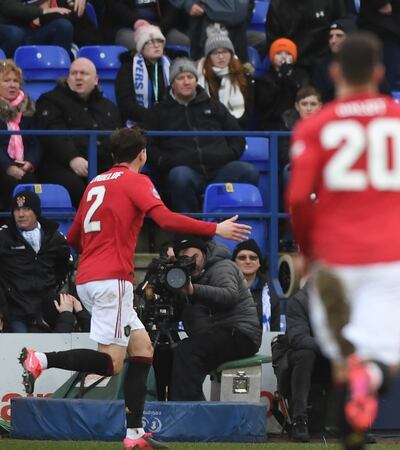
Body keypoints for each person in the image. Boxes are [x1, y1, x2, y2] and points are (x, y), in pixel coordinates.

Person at [18, 127, 250, 449]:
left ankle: (133, 434)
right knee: (112, 364)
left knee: (143, 350)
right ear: (143, 153)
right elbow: (166, 220)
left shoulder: (94, 184)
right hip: (112, 280)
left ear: (113, 154)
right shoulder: (137, 181)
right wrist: (215, 227)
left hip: (91, 276)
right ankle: (41, 359)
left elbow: (72, 238)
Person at [286, 32, 400, 449]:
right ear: (380, 72)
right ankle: (369, 386)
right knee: (381, 366)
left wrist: (307, 251)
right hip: (391, 258)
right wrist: (397, 207)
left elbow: (296, 199)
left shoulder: (317, 124)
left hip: (335, 260)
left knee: (345, 360)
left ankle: (354, 410)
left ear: (335, 71)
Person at [144, 58, 258, 213]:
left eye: (190, 77)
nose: (186, 82)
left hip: (220, 169)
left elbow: (237, 136)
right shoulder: (159, 112)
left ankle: (235, 226)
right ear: (172, 82)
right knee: (179, 176)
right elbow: (149, 145)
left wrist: (229, 154)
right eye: (180, 78)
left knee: (248, 171)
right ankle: (189, 232)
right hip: (186, 171)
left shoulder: (214, 105)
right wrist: (166, 161)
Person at [168, 235, 262, 400]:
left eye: (195, 257)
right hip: (218, 333)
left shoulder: (222, 266)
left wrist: (193, 290)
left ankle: (190, 413)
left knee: (188, 351)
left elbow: (229, 295)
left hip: (240, 333)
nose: (192, 262)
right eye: (184, 259)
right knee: (170, 350)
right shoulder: (187, 277)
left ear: (204, 254)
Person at [35, 58, 122, 207]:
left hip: (103, 164)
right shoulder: (51, 100)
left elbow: (118, 137)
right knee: (78, 187)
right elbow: (53, 132)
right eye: (74, 73)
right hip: (63, 164)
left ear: (95, 80)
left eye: (84, 73)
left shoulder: (108, 106)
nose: (78, 77)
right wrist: (72, 158)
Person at [0, 191, 70, 333]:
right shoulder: (3, 237)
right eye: (17, 209)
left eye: (26, 209)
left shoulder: (54, 237)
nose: (20, 214)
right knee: (20, 352)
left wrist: (51, 290)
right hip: (15, 311)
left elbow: (64, 267)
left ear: (36, 212)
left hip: (46, 310)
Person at [277, 283, 331, 442]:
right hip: (299, 362)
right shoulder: (300, 300)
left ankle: (354, 424)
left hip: (328, 361)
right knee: (305, 354)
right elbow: (298, 338)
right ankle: (299, 421)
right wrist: (331, 347)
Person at [197, 24, 254, 130]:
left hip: (237, 129)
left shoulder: (244, 76)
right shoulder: (201, 77)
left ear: (231, 54)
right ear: (208, 57)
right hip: (208, 131)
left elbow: (248, 111)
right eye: (215, 53)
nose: (221, 57)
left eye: (224, 51)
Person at [116, 21, 172, 127]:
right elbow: (126, 104)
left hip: (168, 123)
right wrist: (152, 117)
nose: (156, 45)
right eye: (150, 42)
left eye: (159, 41)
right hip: (139, 125)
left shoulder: (170, 66)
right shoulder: (128, 68)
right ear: (141, 47)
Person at [0, 60, 39, 211]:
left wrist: (30, 162)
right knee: (8, 183)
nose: (12, 85)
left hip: (24, 167)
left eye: (16, 81)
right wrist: (8, 167)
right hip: (2, 168)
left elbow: (35, 142)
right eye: (6, 80)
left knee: (31, 184)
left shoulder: (28, 108)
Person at [265, 0, 345, 72]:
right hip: (293, 65)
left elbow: (342, 25)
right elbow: (273, 40)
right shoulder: (277, 4)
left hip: (326, 61)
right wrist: (279, 56)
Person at [255, 37, 310, 131]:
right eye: (279, 53)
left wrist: (288, 78)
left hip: (298, 124)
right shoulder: (264, 79)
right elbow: (264, 103)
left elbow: (303, 96)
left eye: (288, 53)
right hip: (272, 125)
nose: (283, 57)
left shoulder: (302, 76)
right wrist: (281, 78)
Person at [232, 238, 277, 332]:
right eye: (242, 258)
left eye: (253, 258)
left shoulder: (271, 295)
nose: (248, 261)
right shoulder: (224, 290)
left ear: (259, 263)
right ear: (234, 262)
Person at [0, 0, 74, 57]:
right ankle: (6, 70)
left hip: (31, 30)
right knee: (16, 34)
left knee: (63, 26)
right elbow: (10, 7)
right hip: (7, 27)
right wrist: (42, 11)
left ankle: (58, 70)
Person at [312, 18, 357, 103]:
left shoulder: (365, 63)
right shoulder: (322, 66)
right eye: (330, 37)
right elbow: (318, 99)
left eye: (339, 36)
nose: (333, 41)